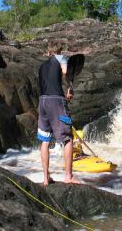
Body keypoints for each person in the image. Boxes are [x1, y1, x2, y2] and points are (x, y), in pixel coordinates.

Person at [37, 41, 80, 186]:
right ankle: (68, 176)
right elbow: (66, 71)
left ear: (48, 52)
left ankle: (45, 178)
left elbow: (48, 83)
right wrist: (69, 88)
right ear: (59, 51)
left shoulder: (42, 66)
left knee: (45, 140)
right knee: (67, 138)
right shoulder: (60, 58)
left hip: (42, 101)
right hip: (56, 101)